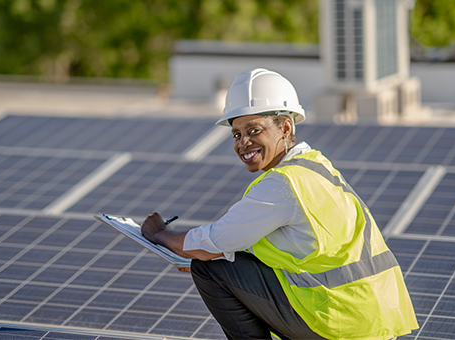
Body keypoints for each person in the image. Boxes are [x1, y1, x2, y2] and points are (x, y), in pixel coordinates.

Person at [141, 68, 418, 340]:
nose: (243, 143)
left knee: (211, 267)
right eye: (236, 134)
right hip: (371, 316)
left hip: (341, 321)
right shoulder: (314, 166)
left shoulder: (283, 185)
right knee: (223, 257)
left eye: (254, 130)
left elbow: (213, 241)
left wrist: (160, 235)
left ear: (285, 128)